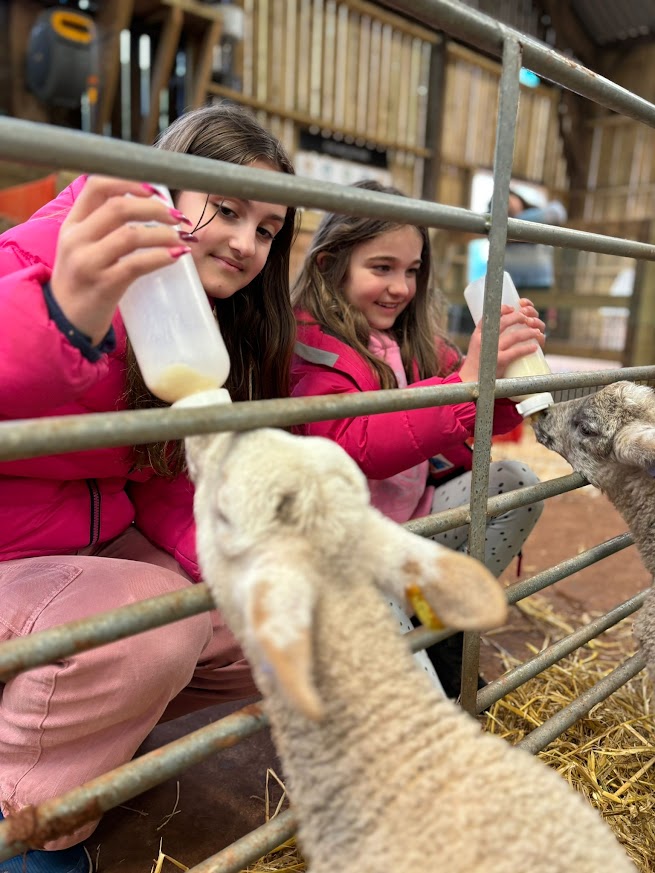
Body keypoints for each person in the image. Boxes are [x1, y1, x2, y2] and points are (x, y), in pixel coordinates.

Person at [0, 103, 297, 873]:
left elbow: (160, 476)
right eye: (226, 209)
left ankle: (79, 740)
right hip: (17, 557)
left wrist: (230, 562)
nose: (243, 241)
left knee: (253, 624)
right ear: (164, 184)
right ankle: (26, 822)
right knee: (146, 625)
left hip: (85, 555)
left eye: (266, 229)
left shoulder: (194, 315)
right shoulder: (46, 255)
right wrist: (65, 317)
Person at [290, 179, 545, 698]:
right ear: (328, 264)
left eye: (411, 271)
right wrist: (466, 383)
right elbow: (357, 445)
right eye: (381, 268)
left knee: (516, 482)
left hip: (410, 523)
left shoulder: (414, 342)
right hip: (345, 551)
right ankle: (402, 649)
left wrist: (507, 374)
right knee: (423, 703)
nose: (401, 287)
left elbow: (477, 425)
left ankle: (436, 623)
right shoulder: (310, 347)